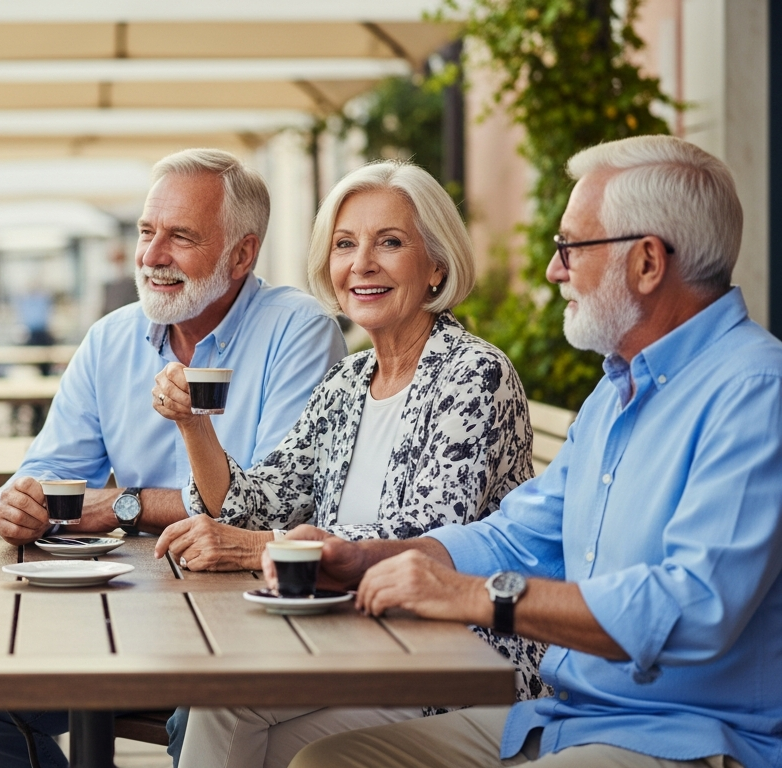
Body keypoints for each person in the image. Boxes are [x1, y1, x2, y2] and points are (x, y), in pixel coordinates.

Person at [290, 136, 781, 768]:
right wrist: (363, 558)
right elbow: (518, 538)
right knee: (327, 762)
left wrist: (480, 596)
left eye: (571, 247)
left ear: (648, 262)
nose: (555, 270)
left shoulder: (754, 391)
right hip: (566, 716)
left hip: (684, 737)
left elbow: (693, 607)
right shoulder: (617, 392)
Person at [0, 148, 347, 768]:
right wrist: (18, 508)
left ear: (241, 254)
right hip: (120, 614)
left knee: (209, 709)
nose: (152, 255)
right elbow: (40, 478)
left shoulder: (300, 331)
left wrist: (121, 506)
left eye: (180, 237)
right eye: (145, 232)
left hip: (243, 624)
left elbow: (263, 506)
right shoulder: (110, 339)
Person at [150, 161, 547, 768]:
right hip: (361, 640)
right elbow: (258, 502)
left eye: (389, 242)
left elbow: (423, 541)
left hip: (456, 660)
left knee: (249, 725)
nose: (361, 263)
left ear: (436, 265)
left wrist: (259, 549)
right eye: (344, 244)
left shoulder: (473, 375)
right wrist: (194, 425)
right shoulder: (349, 379)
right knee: (222, 704)